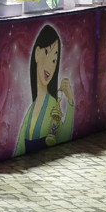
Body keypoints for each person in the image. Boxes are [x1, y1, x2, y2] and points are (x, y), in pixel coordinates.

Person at [15, 25, 74, 155]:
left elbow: (63, 135)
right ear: (37, 53)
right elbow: (19, 147)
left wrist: (70, 102)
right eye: (47, 53)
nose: (50, 65)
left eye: (54, 60)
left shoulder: (53, 105)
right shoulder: (30, 110)